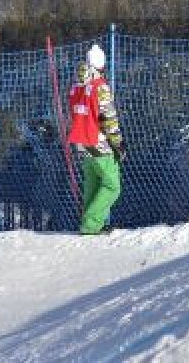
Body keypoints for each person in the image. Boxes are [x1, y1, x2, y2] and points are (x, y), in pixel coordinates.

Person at [66, 44, 125, 234]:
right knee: (112, 186)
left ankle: (91, 224)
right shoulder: (101, 87)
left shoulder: (76, 87)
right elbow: (108, 118)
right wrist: (117, 143)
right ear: (101, 65)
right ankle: (91, 224)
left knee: (92, 184)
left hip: (81, 142)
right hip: (98, 142)